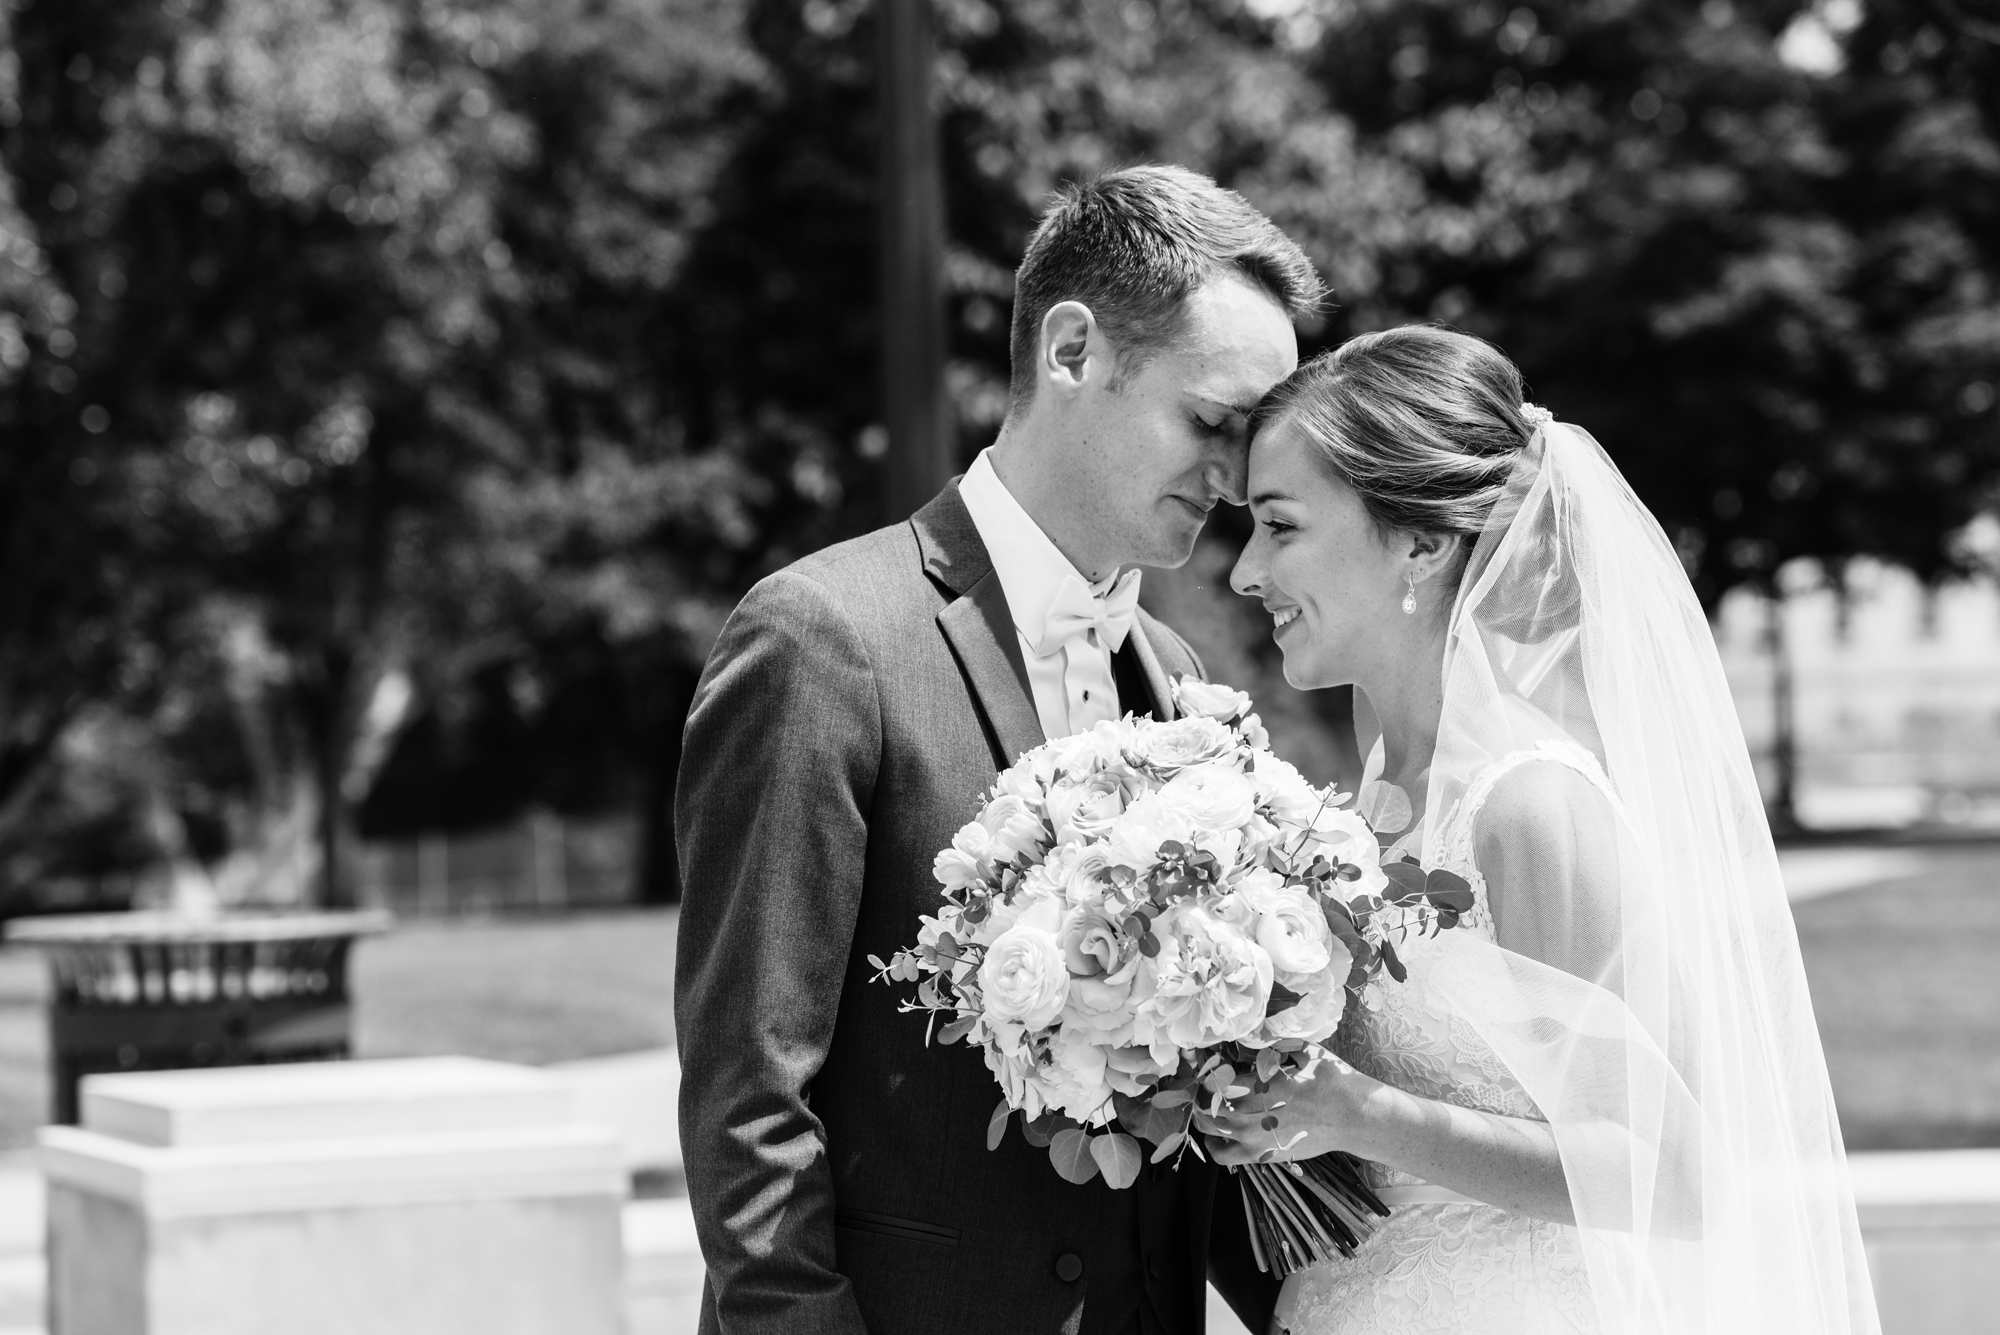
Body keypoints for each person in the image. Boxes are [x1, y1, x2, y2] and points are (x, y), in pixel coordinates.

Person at [676, 164, 1324, 1335]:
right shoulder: (824, 639)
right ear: (1072, 351)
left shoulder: (1179, 680)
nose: (1233, 482)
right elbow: (747, 1103)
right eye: (1211, 423)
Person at [1214, 325, 1881, 1335]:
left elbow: (1676, 1174)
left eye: (1279, 527)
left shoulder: (1526, 806)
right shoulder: (1376, 791)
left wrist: (1359, 1117)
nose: (1242, 572)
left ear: (1422, 544)